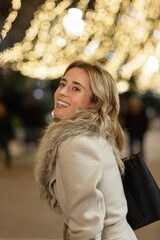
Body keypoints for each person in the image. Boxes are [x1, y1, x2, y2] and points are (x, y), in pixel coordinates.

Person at [34, 61, 137, 240]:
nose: (62, 92)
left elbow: (86, 228)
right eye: (62, 84)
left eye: (75, 89)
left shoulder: (77, 144)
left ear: (94, 102)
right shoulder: (90, 136)